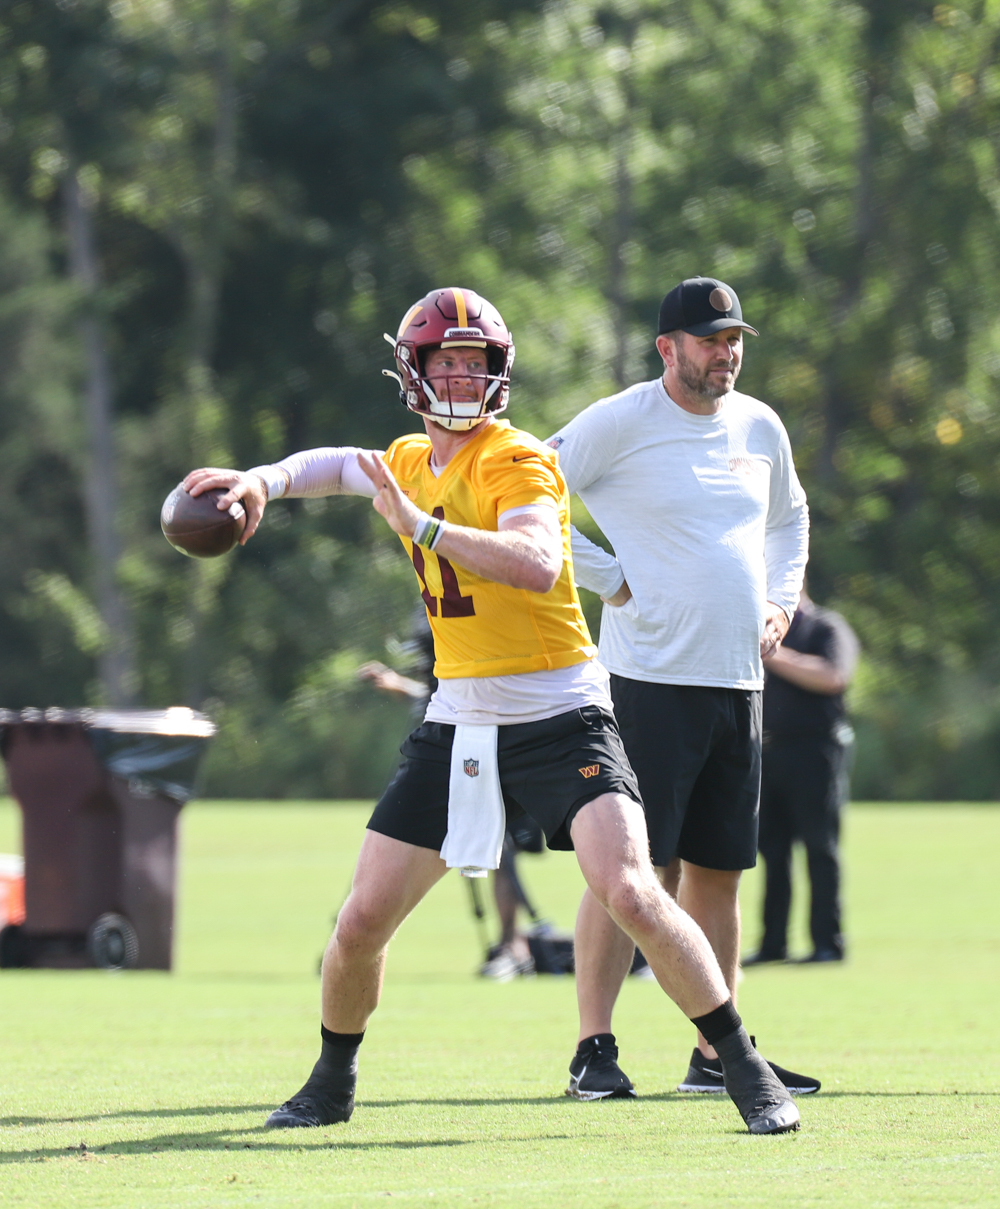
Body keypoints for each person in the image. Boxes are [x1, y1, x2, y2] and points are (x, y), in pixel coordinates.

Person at [185, 286, 800, 1135]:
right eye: (449, 362)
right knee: (361, 917)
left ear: (499, 374)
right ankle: (331, 1081)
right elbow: (330, 464)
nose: (465, 376)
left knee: (630, 885)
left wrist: (423, 529)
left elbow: (536, 558)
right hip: (460, 718)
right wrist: (256, 481)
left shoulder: (515, 458)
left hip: (561, 711)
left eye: (477, 363)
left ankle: (738, 1062)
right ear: (416, 370)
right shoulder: (407, 459)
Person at [547, 276, 820, 1099]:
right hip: (648, 681)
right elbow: (526, 495)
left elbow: (790, 519)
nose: (725, 353)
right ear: (667, 347)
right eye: (709, 340)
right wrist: (608, 577)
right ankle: (594, 1047)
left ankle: (715, 1053)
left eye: (734, 338)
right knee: (631, 872)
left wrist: (779, 601)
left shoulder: (759, 423)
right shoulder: (621, 421)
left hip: (737, 682)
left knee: (719, 871)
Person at [359, 607, 542, 980]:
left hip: (493, 727)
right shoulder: (427, 600)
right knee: (390, 832)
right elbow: (438, 686)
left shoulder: (490, 587)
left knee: (501, 844)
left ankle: (512, 945)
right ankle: (356, 937)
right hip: (440, 737)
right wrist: (404, 687)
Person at [744, 587, 859, 965]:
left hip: (814, 752)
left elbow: (833, 676)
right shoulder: (751, 628)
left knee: (819, 848)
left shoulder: (825, 627)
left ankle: (828, 943)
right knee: (772, 851)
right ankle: (773, 944)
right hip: (767, 752)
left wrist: (771, 655)